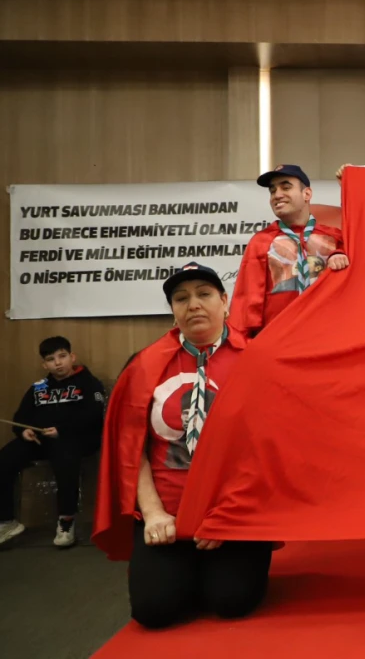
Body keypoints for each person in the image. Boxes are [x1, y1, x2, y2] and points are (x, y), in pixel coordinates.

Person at [94, 262, 272, 629]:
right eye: (181, 298)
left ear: (225, 301)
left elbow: (267, 449)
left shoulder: (257, 359)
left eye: (204, 294)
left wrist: (226, 514)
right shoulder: (144, 366)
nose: (193, 305)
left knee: (232, 602)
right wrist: (154, 513)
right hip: (168, 516)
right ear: (173, 310)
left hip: (235, 512)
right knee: (155, 611)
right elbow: (131, 449)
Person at [0, 337, 106, 548]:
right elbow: (20, 417)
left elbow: (94, 416)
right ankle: (6, 521)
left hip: (77, 439)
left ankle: (66, 520)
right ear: (44, 364)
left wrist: (62, 430)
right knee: (4, 459)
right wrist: (24, 431)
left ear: (72, 357)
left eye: (62, 356)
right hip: (41, 441)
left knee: (65, 456)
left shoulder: (89, 383)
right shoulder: (38, 388)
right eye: (51, 359)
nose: (58, 363)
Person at [230, 164, 349, 338]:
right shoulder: (261, 242)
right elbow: (246, 303)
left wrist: (349, 188)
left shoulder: (335, 238)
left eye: (286, 187)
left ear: (307, 194)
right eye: (273, 191)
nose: (277, 195)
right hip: (279, 342)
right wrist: (242, 343)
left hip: (328, 338)